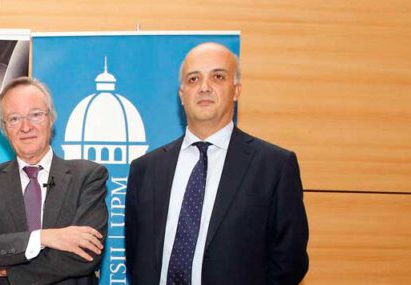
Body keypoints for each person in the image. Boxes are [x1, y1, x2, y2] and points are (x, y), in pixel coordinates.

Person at [124, 42, 309, 285]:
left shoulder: (274, 167)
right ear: (182, 95)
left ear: (236, 90)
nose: (204, 87)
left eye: (218, 76)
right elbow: (137, 256)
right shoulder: (145, 169)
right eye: (193, 80)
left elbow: (289, 262)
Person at [0, 77, 109, 284]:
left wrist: (9, 269)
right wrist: (43, 238)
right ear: (4, 127)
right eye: (14, 119)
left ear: (51, 118)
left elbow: (86, 253)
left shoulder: (87, 176)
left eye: (35, 115)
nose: (26, 127)